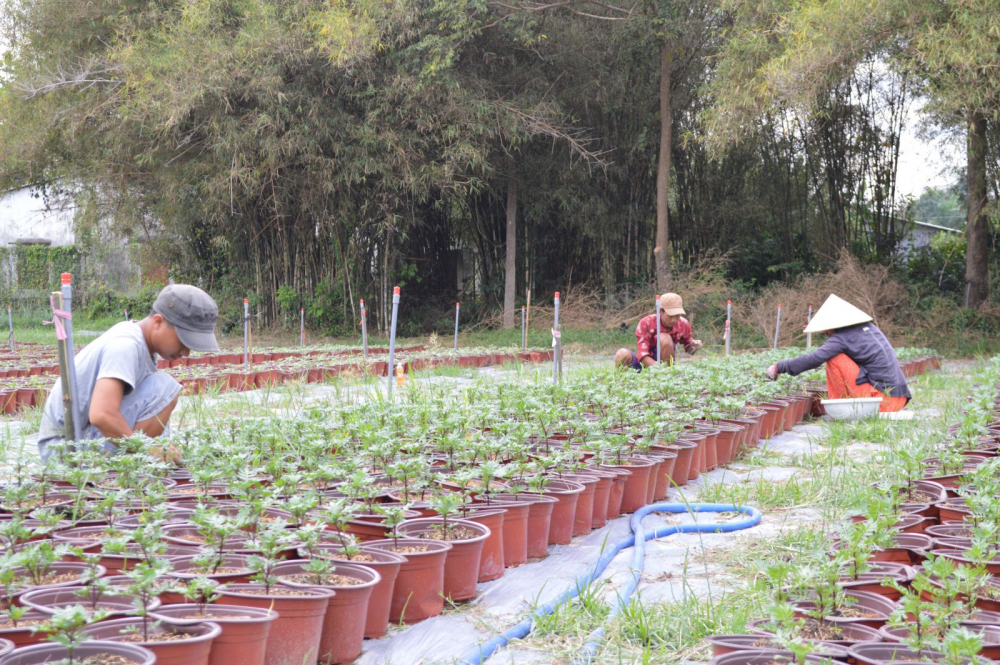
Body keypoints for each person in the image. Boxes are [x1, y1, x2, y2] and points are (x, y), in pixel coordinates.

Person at [37, 284, 220, 462]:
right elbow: (102, 415)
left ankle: (143, 463)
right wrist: (147, 449)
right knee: (164, 387)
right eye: (183, 341)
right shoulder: (125, 346)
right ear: (158, 322)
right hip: (64, 449)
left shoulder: (140, 344)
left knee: (159, 391)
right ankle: (136, 464)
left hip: (79, 437)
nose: (186, 352)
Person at [765, 294, 910, 412]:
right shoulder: (870, 329)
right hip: (899, 399)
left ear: (833, 325)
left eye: (825, 331)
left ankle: (840, 409)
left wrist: (779, 366)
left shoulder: (841, 338)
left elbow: (815, 358)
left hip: (883, 403)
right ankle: (845, 405)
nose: (826, 334)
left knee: (835, 358)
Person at [614, 293, 703, 371]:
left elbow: (689, 350)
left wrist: (694, 345)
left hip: (665, 366)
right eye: (670, 316)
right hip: (643, 365)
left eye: (677, 316)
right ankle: (623, 384)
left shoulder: (683, 323)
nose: (674, 320)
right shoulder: (646, 323)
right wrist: (658, 368)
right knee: (622, 354)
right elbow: (642, 355)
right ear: (661, 311)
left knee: (665, 338)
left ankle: (667, 378)